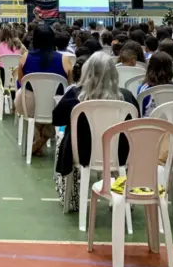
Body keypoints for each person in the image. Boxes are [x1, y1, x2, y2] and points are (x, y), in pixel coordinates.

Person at [51, 52, 138, 208]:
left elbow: (57, 119)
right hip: (120, 154)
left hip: (83, 154)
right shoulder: (127, 97)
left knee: (63, 137)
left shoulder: (75, 96)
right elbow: (136, 125)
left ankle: (70, 198)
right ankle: (123, 197)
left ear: (87, 71)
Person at [16, 25, 71, 156]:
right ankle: (45, 134)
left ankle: (38, 135)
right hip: (55, 107)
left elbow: (21, 82)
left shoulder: (25, 57)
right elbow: (69, 85)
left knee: (21, 93)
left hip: (30, 105)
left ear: (34, 39)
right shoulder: (65, 59)